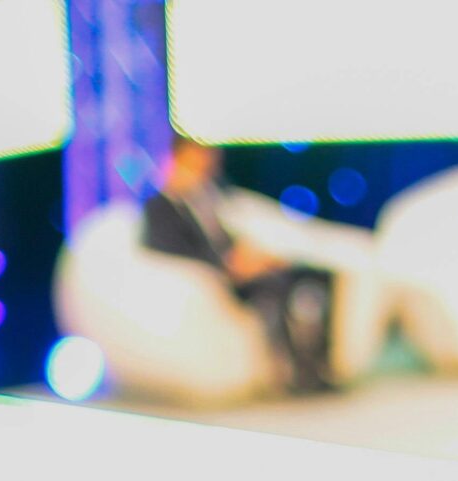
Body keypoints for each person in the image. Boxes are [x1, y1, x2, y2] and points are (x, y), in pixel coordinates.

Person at [141, 136, 338, 394]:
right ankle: (294, 373)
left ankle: (316, 366)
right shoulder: (161, 207)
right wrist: (228, 266)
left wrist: (252, 256)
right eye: (200, 157)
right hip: (215, 280)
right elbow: (173, 253)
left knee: (305, 278)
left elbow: (228, 237)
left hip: (236, 269)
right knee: (274, 290)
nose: (207, 163)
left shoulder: (211, 197)